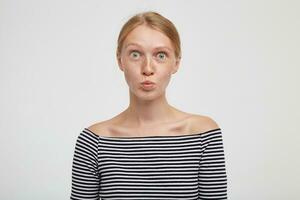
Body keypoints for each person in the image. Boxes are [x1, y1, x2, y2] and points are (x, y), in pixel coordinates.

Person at [70, 11, 227, 199]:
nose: (147, 69)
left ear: (176, 63)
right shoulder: (93, 141)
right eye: (135, 54)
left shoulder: (203, 134)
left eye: (161, 55)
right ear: (120, 60)